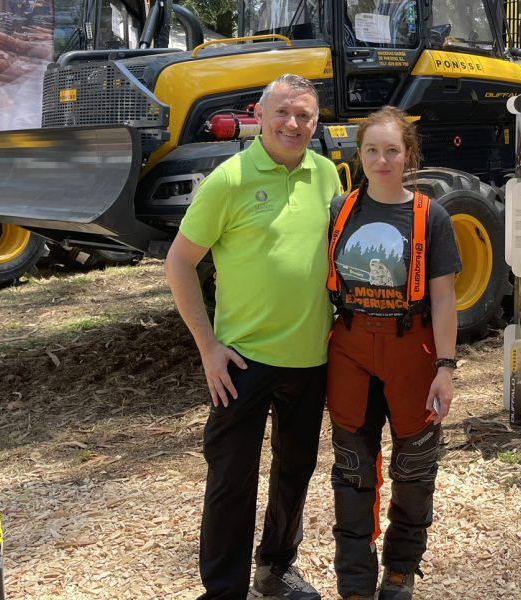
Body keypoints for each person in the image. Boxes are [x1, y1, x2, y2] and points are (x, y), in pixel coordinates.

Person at [165, 73, 341, 600]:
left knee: (296, 472)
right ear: (260, 116)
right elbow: (179, 264)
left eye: (304, 115)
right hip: (242, 362)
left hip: (310, 356)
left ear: (315, 122)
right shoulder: (229, 179)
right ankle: (223, 591)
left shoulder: (328, 175)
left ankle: (276, 569)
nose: (293, 123)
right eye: (283, 112)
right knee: (231, 481)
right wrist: (208, 349)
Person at [325, 106, 460, 600]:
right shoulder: (339, 211)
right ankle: (355, 582)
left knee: (415, 467)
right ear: (359, 155)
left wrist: (445, 367)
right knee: (351, 470)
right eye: (372, 150)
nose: (382, 160)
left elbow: (444, 298)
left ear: (409, 155)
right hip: (352, 349)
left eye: (392, 150)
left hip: (412, 351)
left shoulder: (432, 216)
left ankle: (401, 569)